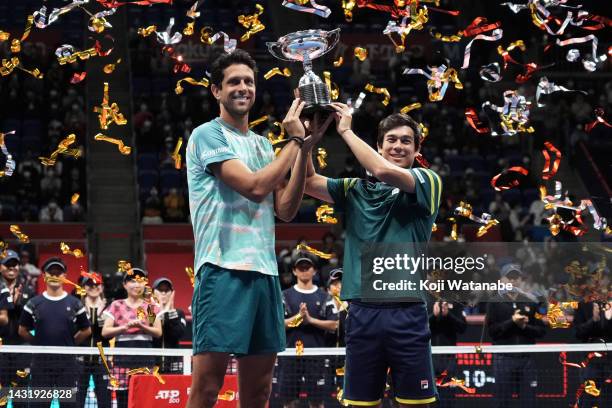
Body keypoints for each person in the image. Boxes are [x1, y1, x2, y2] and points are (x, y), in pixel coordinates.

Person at [185, 49, 331, 408]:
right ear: (216, 91)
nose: (242, 87)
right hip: (222, 271)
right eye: (233, 81)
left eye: (248, 81)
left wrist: (305, 148)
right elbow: (254, 187)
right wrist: (294, 142)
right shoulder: (207, 136)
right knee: (206, 387)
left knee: (259, 391)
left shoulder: (265, 146)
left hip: (264, 276)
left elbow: (285, 209)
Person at [304, 108, 442, 406]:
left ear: (417, 149)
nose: (398, 146)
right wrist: (307, 143)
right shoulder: (355, 189)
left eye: (407, 141)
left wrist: (345, 132)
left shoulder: (428, 182)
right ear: (379, 146)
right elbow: (308, 181)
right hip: (362, 314)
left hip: (408, 313)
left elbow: (382, 171)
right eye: (391, 140)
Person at [18, 257, 91, 408]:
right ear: (44, 276)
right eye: (51, 273)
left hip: (67, 366)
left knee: (68, 405)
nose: (55, 276)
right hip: (40, 365)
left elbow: (86, 330)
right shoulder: (33, 303)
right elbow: (22, 330)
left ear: (64, 277)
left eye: (58, 273)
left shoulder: (75, 303)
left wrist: (70, 344)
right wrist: (38, 343)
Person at [279, 253, 338, 408]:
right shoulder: (284, 296)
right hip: (290, 354)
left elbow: (334, 325)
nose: (304, 270)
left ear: (314, 271)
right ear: (294, 271)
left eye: (307, 267)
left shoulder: (325, 297)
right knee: (288, 401)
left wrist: (310, 320)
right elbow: (277, 325)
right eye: (300, 267)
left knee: (317, 402)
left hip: (316, 356)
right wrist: (298, 317)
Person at [486, 263, 546, 408]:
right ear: (501, 280)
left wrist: (524, 327)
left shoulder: (531, 302)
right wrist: (511, 322)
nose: (513, 281)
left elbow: (541, 331)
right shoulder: (494, 302)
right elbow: (492, 332)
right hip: (503, 359)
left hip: (527, 359)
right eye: (509, 277)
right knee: (502, 402)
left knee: (529, 402)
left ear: (521, 280)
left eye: (516, 277)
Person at [102, 267, 162, 408]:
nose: (137, 284)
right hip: (122, 362)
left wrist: (143, 327)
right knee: (123, 403)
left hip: (145, 362)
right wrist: (124, 328)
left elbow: (158, 332)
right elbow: (105, 331)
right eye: (133, 281)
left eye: (140, 281)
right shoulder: (116, 305)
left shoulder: (150, 307)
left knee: (144, 402)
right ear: (125, 285)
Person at [77, 272, 111, 408]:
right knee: (77, 401)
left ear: (102, 287)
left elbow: (110, 335)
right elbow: (77, 332)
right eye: (89, 284)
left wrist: (100, 315)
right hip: (79, 361)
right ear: (84, 287)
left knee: (104, 401)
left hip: (102, 361)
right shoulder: (76, 306)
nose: (93, 287)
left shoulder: (109, 308)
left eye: (97, 284)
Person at [428, 301, 467, 408]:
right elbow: (418, 326)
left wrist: (448, 315)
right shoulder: (426, 301)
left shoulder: (456, 303)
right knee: (430, 396)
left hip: (449, 359)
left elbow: (462, 327)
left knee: (449, 397)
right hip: (430, 358)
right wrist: (433, 316)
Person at [574, 300, 612, 407]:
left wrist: (609, 318)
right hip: (591, 365)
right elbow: (578, 333)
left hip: (610, 362)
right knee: (589, 400)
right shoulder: (582, 305)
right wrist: (593, 320)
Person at [153, 277, 187, 373]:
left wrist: (170, 313)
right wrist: (161, 312)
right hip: (153, 363)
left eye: (167, 290)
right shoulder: (148, 312)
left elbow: (179, 334)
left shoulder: (179, 313)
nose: (163, 293)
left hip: (174, 362)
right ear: (153, 292)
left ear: (172, 293)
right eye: (160, 290)